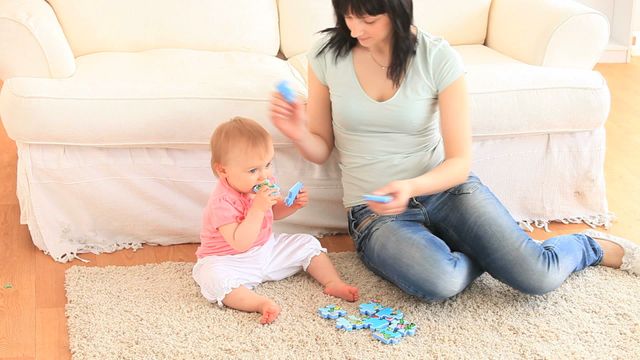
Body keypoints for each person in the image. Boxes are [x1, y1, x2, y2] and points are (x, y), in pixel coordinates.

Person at [269, 0, 639, 302]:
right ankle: (489, 251)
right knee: (440, 282)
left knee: (537, 276)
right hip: (374, 210)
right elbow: (320, 149)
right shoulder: (326, 54)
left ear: (397, 9)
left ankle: (586, 246)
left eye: (367, 17)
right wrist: (298, 132)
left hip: (446, 191)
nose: (354, 28)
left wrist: (410, 188)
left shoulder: (437, 58)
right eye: (347, 14)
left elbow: (460, 162)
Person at [192, 117, 359, 324]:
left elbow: (274, 213)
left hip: (266, 250)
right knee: (214, 279)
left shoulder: (264, 182)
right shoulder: (221, 202)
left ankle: (333, 282)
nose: (263, 175)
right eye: (253, 170)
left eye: (267, 165)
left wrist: (291, 205)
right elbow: (240, 242)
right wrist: (257, 208)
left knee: (307, 243)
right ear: (223, 170)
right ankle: (258, 303)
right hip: (229, 260)